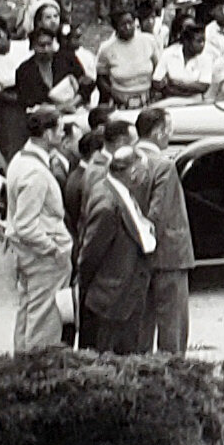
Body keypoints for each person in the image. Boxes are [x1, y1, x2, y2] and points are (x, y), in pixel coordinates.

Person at [78, 138, 157, 353]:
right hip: (111, 303)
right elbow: (90, 255)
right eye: (144, 171)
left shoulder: (119, 192)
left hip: (122, 299)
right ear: (133, 173)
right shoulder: (107, 205)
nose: (145, 177)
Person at [3, 110, 72, 352]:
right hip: (43, 259)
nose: (63, 134)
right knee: (44, 322)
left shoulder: (22, 160)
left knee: (28, 315)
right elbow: (25, 225)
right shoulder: (35, 172)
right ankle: (38, 375)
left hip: (29, 255)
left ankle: (21, 370)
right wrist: (53, 250)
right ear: (47, 133)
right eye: (60, 129)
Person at [133, 107, 193, 355]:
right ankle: (174, 372)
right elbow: (159, 213)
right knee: (172, 326)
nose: (170, 135)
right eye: (168, 130)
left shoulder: (126, 161)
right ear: (158, 133)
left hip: (137, 255)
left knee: (142, 326)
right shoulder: (164, 166)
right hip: (169, 253)